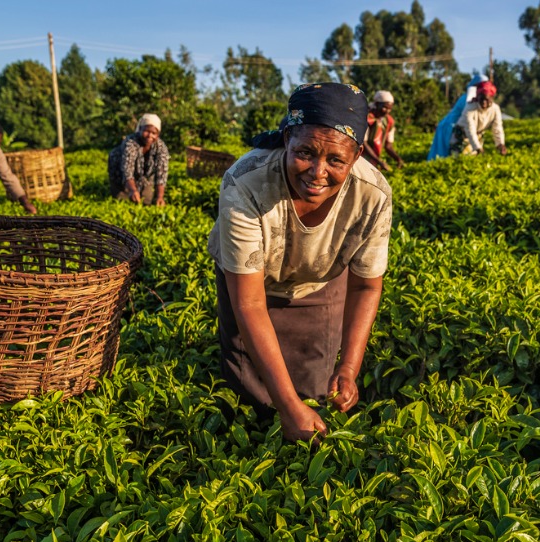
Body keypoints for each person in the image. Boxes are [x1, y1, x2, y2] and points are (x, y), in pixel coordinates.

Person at [208, 83, 392, 443]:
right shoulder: (246, 182)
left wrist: (349, 368)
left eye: (336, 160)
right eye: (305, 152)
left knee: (315, 384)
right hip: (250, 284)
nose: (317, 172)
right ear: (288, 137)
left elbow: (367, 284)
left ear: (356, 156)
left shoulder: (373, 195)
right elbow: (248, 303)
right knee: (251, 391)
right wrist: (289, 407)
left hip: (321, 281)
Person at [107, 113, 170, 206]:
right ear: (140, 129)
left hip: (144, 177)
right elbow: (127, 171)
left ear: (158, 135)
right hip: (120, 174)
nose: (150, 135)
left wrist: (160, 197)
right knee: (123, 201)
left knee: (147, 201)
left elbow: (162, 175)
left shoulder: (161, 148)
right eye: (146, 131)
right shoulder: (130, 143)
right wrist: (133, 190)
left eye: (154, 133)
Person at [427, 73, 488, 160]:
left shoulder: (476, 99)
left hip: (453, 126)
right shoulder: (468, 98)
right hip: (449, 127)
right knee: (444, 154)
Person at [450, 80, 508, 156]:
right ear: (477, 98)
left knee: (474, 158)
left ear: (491, 98)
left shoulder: (495, 109)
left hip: (477, 136)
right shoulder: (470, 108)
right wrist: (477, 147)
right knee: (460, 157)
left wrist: (500, 144)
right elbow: (470, 129)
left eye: (486, 99)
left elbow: (497, 128)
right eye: (481, 99)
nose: (484, 102)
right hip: (462, 136)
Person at [363, 90, 404, 172]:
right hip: (361, 157)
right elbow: (364, 143)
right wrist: (379, 161)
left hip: (374, 159)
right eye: (384, 107)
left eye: (390, 108)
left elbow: (388, 146)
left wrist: (398, 159)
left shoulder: (389, 121)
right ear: (377, 104)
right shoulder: (366, 118)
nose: (387, 111)